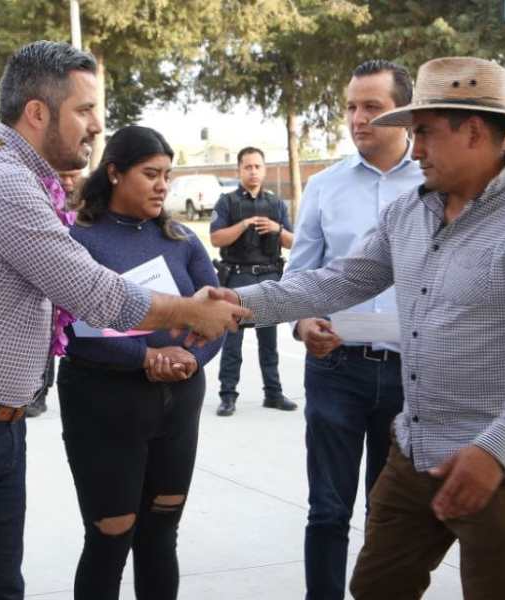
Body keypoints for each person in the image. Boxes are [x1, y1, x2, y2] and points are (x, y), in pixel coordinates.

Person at [0, 40, 247, 600]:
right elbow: (93, 293)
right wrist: (190, 311)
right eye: (84, 110)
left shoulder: (23, 181)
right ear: (38, 112)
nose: (97, 125)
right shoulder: (2, 183)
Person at [209, 56, 505, 599]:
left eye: (426, 133)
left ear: (475, 132)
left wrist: (494, 450)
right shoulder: (410, 213)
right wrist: (234, 303)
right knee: (376, 588)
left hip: (502, 465)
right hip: (415, 450)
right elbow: (337, 281)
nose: (415, 150)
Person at [56, 125, 223, 600]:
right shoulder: (77, 239)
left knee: (160, 535)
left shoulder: (181, 238)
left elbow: (218, 315)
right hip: (104, 404)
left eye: (167, 175)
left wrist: (191, 358)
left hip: (178, 402)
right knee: (110, 536)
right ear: (114, 172)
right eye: (150, 174)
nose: (162, 185)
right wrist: (143, 356)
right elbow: (70, 329)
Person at [286, 59, 422, 600]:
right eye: (351, 107)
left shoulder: (435, 183)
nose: (358, 118)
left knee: (388, 515)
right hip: (336, 369)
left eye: (372, 107)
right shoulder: (325, 187)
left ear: (405, 115)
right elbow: (300, 275)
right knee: (327, 511)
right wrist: (303, 322)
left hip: (411, 374)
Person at [210, 146, 296, 416]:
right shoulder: (227, 202)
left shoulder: (276, 204)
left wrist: (276, 229)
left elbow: (294, 242)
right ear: (239, 170)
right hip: (238, 277)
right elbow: (216, 238)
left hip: (268, 277)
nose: (253, 171)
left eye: (258, 166)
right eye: (248, 167)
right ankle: (228, 395)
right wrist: (244, 225)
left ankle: (273, 393)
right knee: (233, 340)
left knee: (269, 341)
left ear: (264, 169)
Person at [28, 168, 85, 419]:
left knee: (57, 335)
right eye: (64, 175)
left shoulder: (86, 201)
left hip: (72, 284)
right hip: (41, 284)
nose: (68, 182)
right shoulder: (36, 195)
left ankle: (42, 390)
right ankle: (37, 392)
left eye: (74, 176)